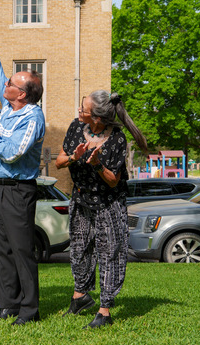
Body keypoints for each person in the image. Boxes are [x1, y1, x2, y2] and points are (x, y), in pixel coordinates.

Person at [0, 22, 45, 325]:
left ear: (23, 94)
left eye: (12, 84)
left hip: (17, 190)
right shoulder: (8, 108)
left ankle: (30, 310)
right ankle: (8, 304)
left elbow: (14, 152)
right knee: (2, 248)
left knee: (22, 250)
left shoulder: (32, 117)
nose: (5, 85)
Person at [55, 91, 147, 328]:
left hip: (109, 203)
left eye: (83, 109)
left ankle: (104, 310)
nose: (79, 111)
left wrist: (96, 164)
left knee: (110, 253)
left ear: (96, 117)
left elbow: (113, 180)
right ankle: (80, 296)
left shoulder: (117, 139)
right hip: (81, 199)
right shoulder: (76, 127)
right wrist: (74, 158)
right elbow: (59, 161)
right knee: (79, 249)